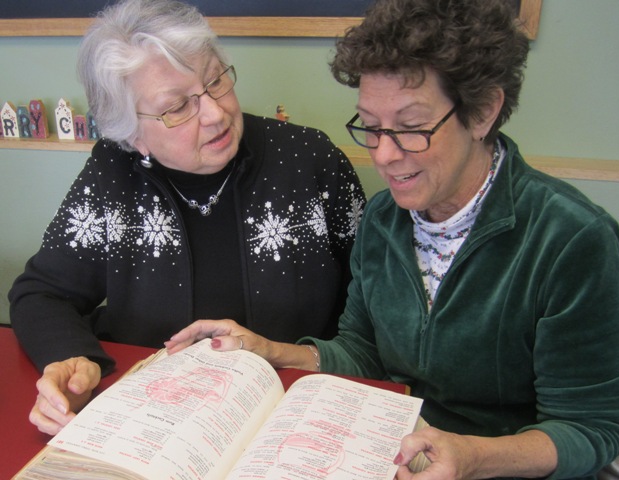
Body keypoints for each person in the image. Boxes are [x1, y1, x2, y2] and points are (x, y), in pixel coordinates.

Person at [165, 0, 619, 478]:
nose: (384, 155)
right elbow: (363, 352)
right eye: (371, 127)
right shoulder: (384, 219)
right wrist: (272, 351)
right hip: (389, 454)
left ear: (483, 112)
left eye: (411, 129)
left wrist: (473, 457)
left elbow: (589, 430)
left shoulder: (571, 239)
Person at [8, 0, 365, 436]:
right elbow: (42, 293)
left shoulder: (309, 160)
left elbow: (371, 307)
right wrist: (72, 358)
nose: (215, 113)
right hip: (154, 422)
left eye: (215, 81)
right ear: (132, 133)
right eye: (177, 107)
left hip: (295, 415)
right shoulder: (112, 173)